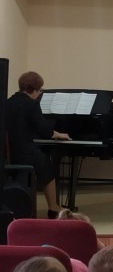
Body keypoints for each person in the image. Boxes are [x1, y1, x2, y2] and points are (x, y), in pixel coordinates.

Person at [6, 71, 71, 219]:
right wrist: (58, 134)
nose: (40, 93)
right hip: (23, 152)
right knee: (47, 166)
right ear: (34, 89)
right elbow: (43, 129)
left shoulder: (8, 102)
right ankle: (53, 208)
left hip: (8, 152)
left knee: (40, 157)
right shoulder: (31, 104)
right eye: (40, 90)